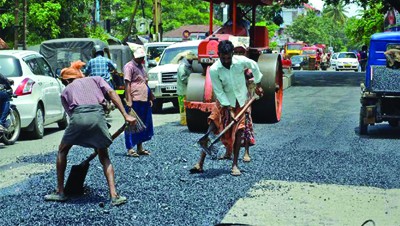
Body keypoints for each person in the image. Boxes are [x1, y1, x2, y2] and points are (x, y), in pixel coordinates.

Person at [44, 60, 136, 206]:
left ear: (67, 80)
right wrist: (125, 115)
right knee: (104, 156)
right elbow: (111, 93)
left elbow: (72, 116)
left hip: (78, 116)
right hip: (97, 116)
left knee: (62, 150)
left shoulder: (66, 91)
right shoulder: (96, 79)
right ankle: (114, 195)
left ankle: (60, 192)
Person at [190, 40, 264, 176]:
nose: (226, 60)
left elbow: (253, 65)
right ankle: (200, 163)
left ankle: (235, 165)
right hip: (224, 102)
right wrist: (228, 109)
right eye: (223, 58)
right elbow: (218, 90)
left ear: (232, 54)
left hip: (241, 102)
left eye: (228, 57)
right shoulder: (214, 69)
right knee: (212, 126)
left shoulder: (240, 61)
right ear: (218, 55)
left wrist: (258, 84)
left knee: (239, 131)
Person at [124, 42, 154, 157]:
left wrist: (150, 97)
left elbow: (145, 82)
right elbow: (127, 84)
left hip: (144, 98)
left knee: (142, 123)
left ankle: (140, 147)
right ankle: (130, 148)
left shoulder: (142, 67)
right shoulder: (129, 66)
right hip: (135, 98)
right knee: (131, 124)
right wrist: (129, 100)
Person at [176, 51, 197, 125]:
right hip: (183, 91)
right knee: (183, 107)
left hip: (187, 90)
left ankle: (187, 120)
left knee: (186, 107)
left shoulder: (188, 66)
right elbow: (183, 78)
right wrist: (192, 81)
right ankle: (184, 121)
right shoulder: (183, 66)